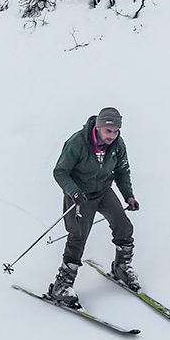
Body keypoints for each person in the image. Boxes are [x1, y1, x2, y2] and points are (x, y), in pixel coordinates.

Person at [49, 107, 140, 308]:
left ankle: (121, 267)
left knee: (124, 226)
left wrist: (129, 195)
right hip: (79, 195)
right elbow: (60, 172)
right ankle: (62, 286)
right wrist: (73, 192)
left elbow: (122, 171)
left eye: (116, 131)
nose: (112, 135)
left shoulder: (117, 145)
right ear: (98, 127)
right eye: (109, 131)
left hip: (102, 191)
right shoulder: (78, 142)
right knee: (78, 235)